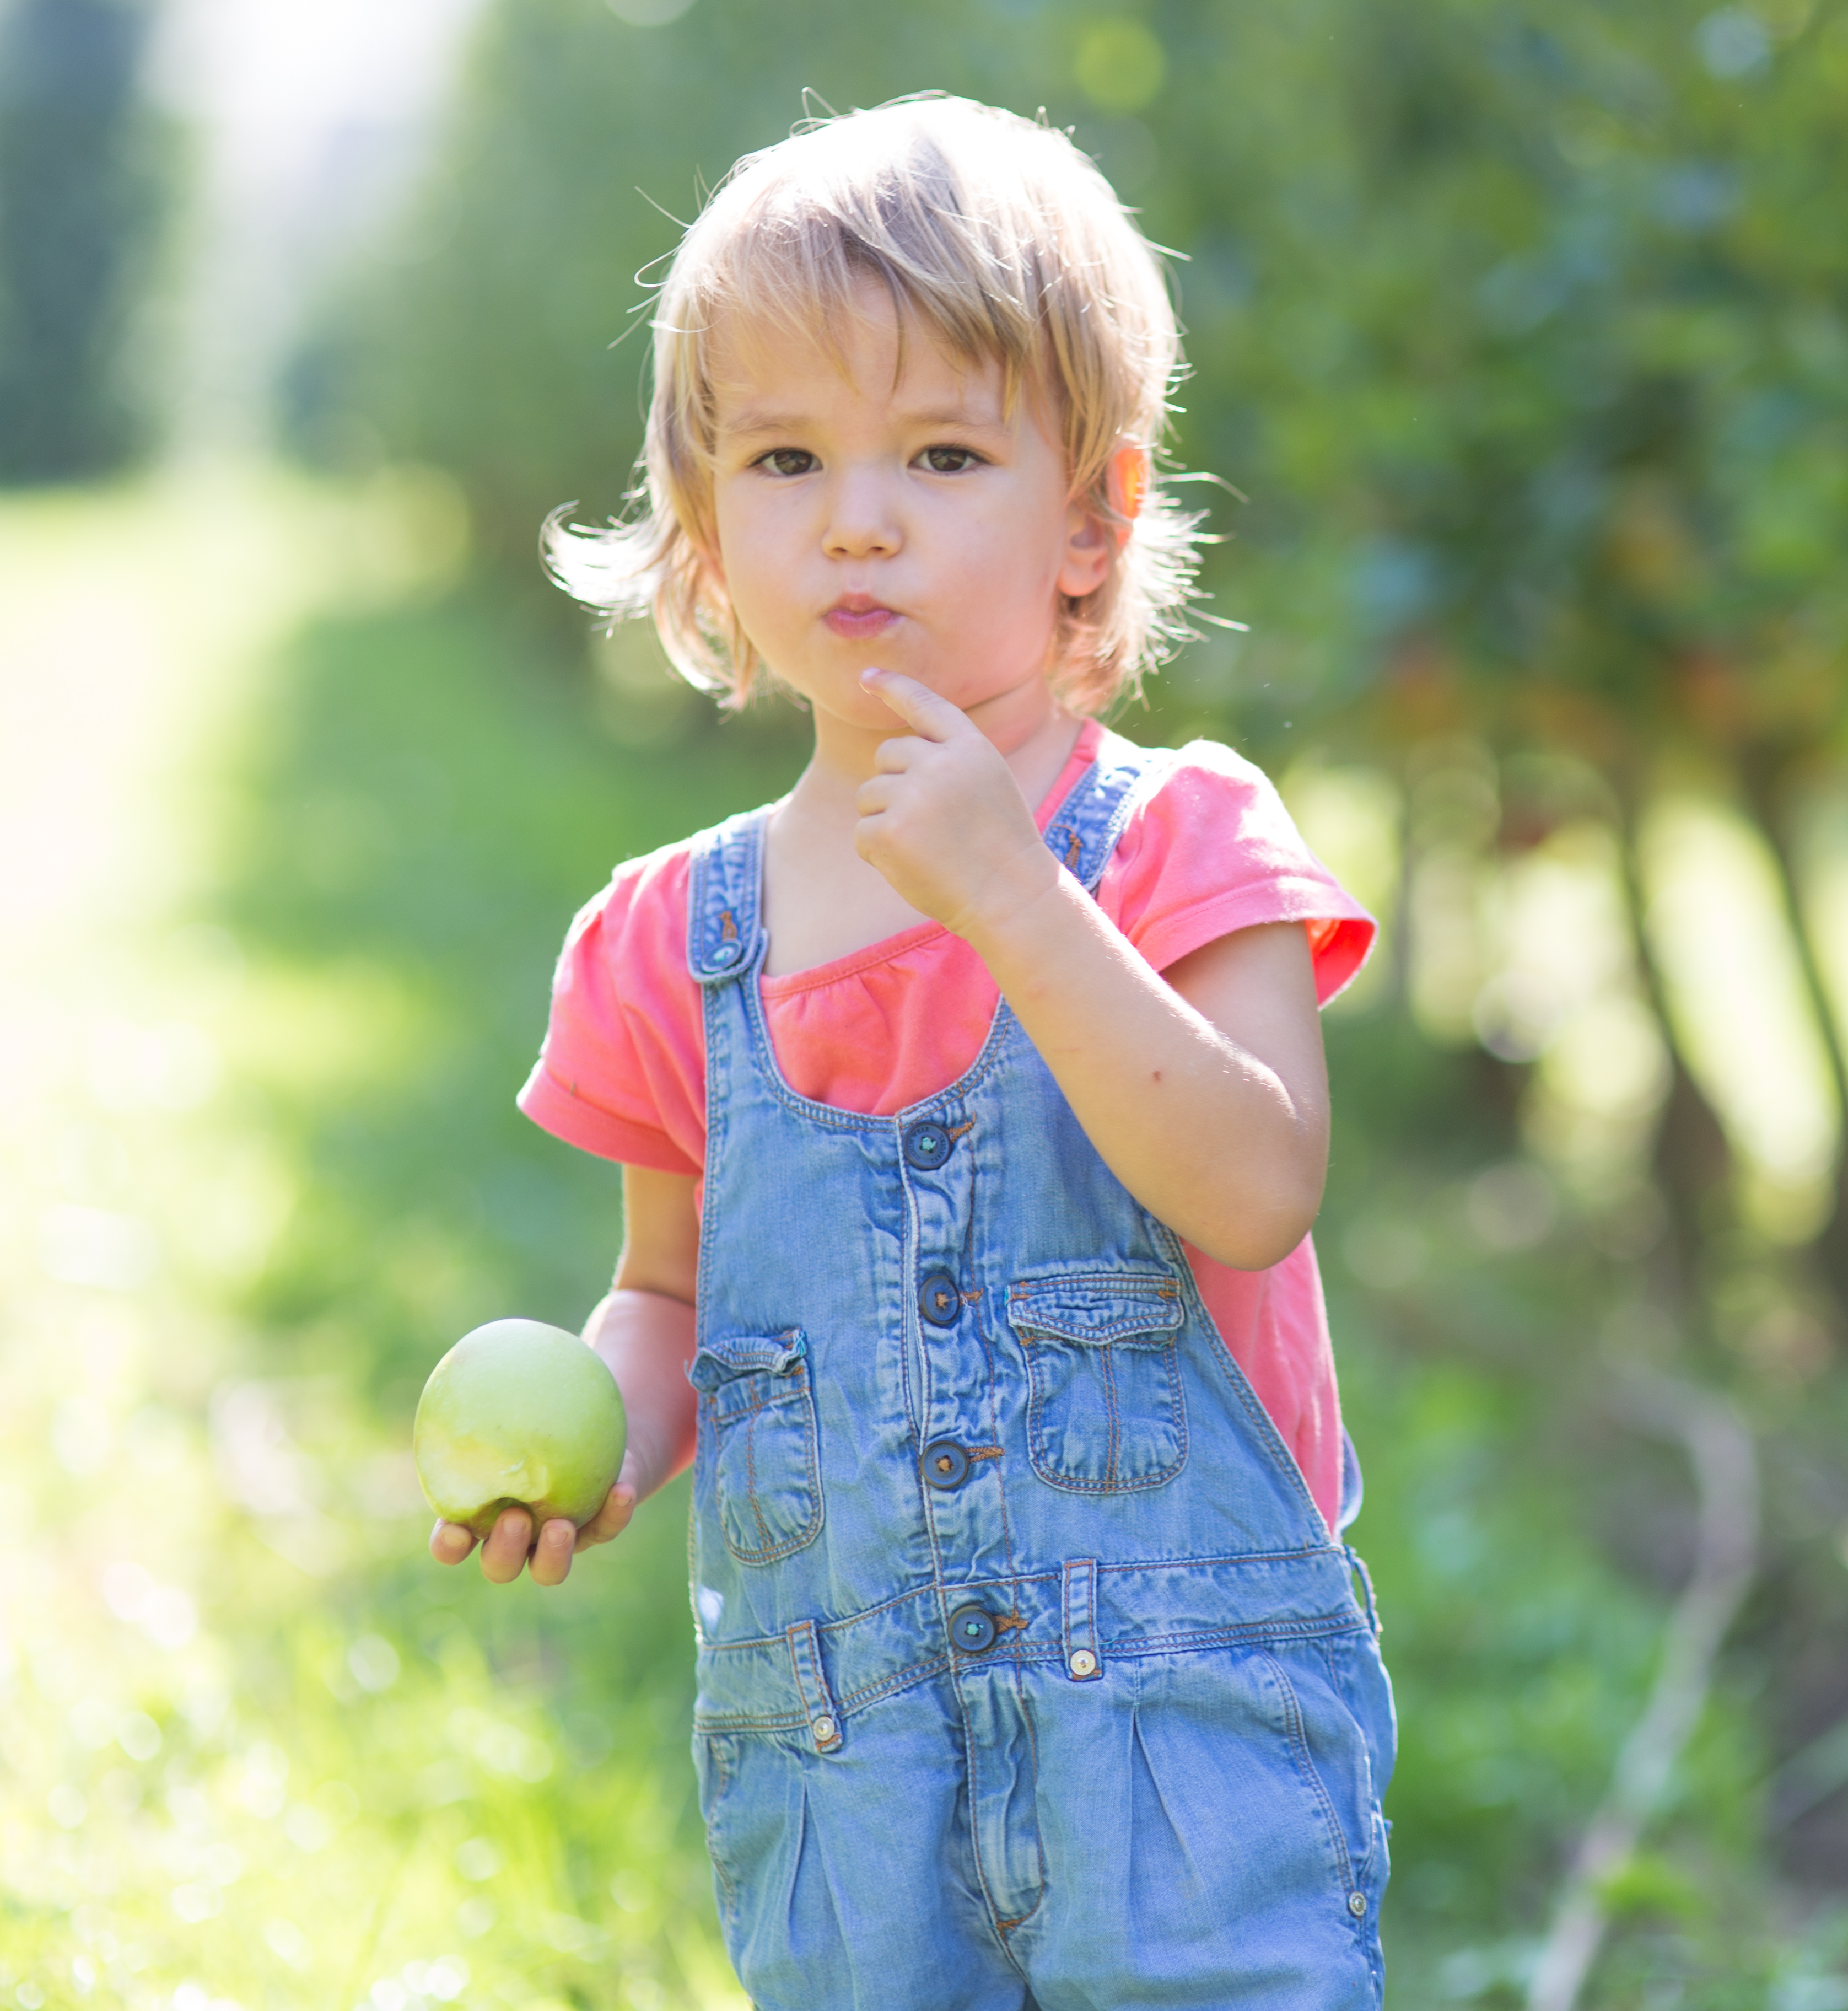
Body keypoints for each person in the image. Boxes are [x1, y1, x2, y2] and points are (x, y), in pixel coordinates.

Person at [427, 95, 1393, 2007]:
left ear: (1091, 518)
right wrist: (612, 1433)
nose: (857, 515)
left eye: (943, 451)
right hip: (846, 1788)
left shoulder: (1183, 842)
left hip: (1186, 1773)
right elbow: (669, 1286)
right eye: (787, 458)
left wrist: (1017, 904)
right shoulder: (670, 942)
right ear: (708, 532)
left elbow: (1258, 1187)